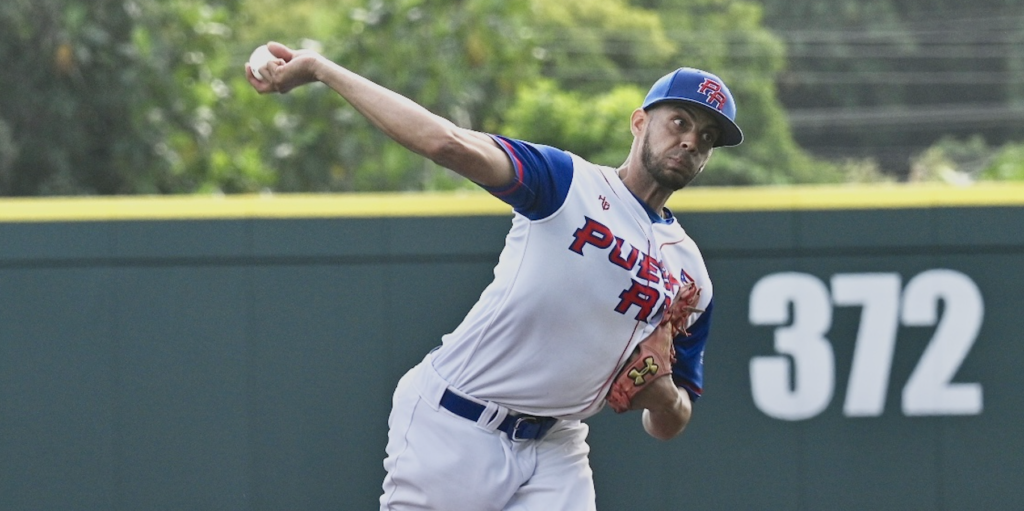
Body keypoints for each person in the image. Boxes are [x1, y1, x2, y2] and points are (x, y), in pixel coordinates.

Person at [247, 41, 743, 511]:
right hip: (455, 420)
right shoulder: (566, 183)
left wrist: (661, 394)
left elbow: (670, 423)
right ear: (639, 122)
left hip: (557, 443)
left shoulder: (690, 274)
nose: (690, 141)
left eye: (706, 138)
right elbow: (447, 142)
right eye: (680, 121)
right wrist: (319, 69)